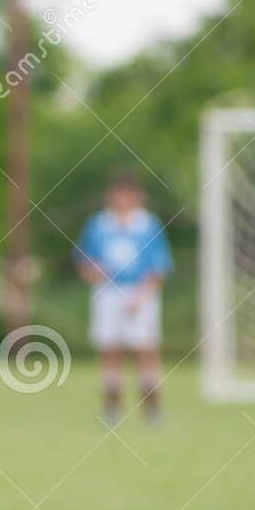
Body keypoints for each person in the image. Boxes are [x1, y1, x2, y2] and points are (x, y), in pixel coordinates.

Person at [74, 174, 173, 424]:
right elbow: (83, 260)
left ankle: (151, 408)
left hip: (140, 292)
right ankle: (112, 407)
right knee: (110, 349)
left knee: (145, 349)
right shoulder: (98, 225)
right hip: (107, 292)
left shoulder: (148, 225)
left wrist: (142, 294)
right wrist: (91, 271)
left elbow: (159, 266)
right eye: (118, 194)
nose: (122, 200)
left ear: (137, 197)